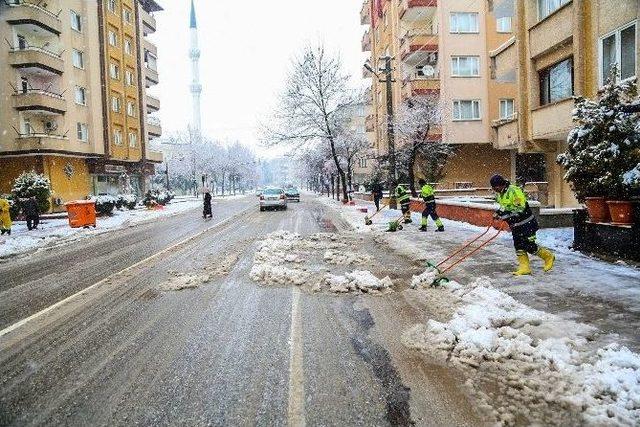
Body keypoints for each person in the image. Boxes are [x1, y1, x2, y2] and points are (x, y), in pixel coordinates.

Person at [490, 174, 555, 276]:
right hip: (516, 225)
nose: (494, 190)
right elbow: (504, 207)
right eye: (493, 188)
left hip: (526, 224)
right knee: (518, 245)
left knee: (528, 245)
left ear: (501, 184)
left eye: (495, 187)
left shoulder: (514, 191)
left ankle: (548, 256)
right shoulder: (501, 194)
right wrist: (498, 213)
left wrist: (504, 216)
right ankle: (525, 268)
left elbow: (519, 209)